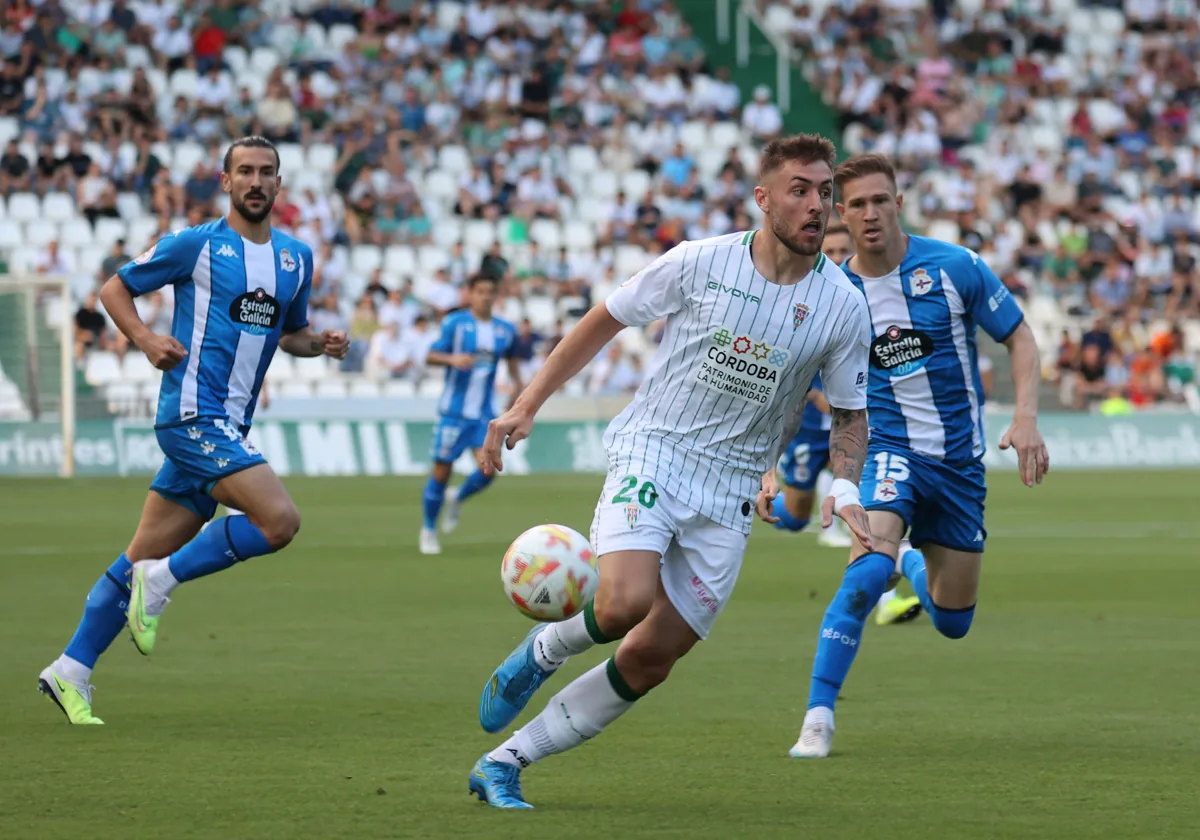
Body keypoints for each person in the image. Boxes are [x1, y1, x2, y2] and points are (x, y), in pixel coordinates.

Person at [466, 134, 874, 809]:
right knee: (623, 602)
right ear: (763, 198)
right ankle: (543, 652)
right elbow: (604, 320)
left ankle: (505, 763)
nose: (816, 205)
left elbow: (850, 415)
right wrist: (527, 404)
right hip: (657, 449)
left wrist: (848, 485)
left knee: (652, 658)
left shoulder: (842, 306)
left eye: (823, 191)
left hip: (733, 490)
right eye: (800, 189)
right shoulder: (700, 262)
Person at [37, 136, 349, 725]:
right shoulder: (196, 245)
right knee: (279, 521)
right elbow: (114, 288)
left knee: (137, 555)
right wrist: (147, 339)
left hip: (226, 427)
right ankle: (163, 581)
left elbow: (291, 334)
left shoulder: (295, 258)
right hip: (191, 417)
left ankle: (69, 669)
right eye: (245, 172)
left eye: (267, 173)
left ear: (279, 184)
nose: (256, 182)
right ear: (225, 181)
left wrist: (321, 345)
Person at [790, 154, 1049, 759]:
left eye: (881, 200)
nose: (870, 213)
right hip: (889, 451)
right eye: (856, 204)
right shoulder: (831, 292)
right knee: (866, 571)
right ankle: (818, 715)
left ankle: (909, 562)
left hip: (959, 464)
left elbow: (1020, 335)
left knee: (953, 622)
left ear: (898, 203)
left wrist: (1027, 417)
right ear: (840, 213)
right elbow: (791, 384)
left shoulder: (955, 267)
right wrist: (769, 464)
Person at [773, 224, 922, 627]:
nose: (838, 256)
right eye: (831, 248)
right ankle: (748, 497)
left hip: (857, 431)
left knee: (866, 514)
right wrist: (811, 395)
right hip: (809, 430)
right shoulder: (803, 298)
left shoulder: (868, 300)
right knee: (796, 515)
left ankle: (887, 598)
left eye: (845, 248)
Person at [419, 273, 521, 555]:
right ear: (471, 294)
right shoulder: (456, 323)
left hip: (484, 415)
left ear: (496, 296)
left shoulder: (505, 330)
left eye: (490, 291)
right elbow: (430, 355)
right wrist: (452, 359)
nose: (485, 296)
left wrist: (518, 393)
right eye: (480, 291)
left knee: (488, 469)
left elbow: (514, 368)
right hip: (453, 413)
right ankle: (429, 529)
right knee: (442, 471)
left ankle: (458, 497)